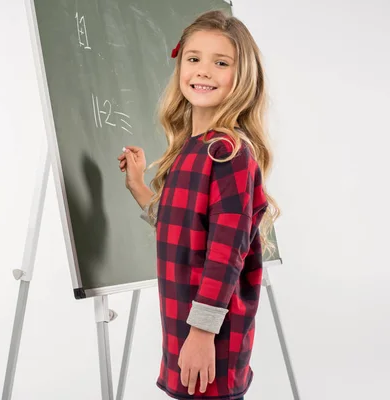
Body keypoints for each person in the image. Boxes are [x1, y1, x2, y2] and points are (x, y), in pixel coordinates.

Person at [117, 10, 280, 400]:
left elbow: (225, 254)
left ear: (242, 77)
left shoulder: (229, 154)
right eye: (194, 59)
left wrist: (203, 334)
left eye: (220, 62)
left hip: (210, 335)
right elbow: (185, 228)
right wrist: (139, 186)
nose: (203, 71)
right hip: (185, 328)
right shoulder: (193, 149)